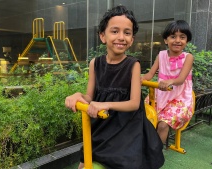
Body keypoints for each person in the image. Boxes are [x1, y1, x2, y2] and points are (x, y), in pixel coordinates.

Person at [65, 5, 164, 169]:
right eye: (115, 31)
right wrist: (78, 95)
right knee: (85, 160)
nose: (121, 37)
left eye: (127, 33)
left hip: (128, 127)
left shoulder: (133, 65)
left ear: (132, 40)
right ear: (103, 36)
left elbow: (133, 103)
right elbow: (90, 96)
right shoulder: (95, 64)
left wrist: (106, 104)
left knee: (125, 162)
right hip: (102, 125)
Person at [141, 20, 194, 144]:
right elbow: (150, 74)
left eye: (182, 37)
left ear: (187, 40)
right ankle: (145, 147)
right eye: (173, 36)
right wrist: (140, 78)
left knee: (163, 125)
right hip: (161, 95)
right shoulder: (161, 55)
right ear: (166, 40)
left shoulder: (188, 57)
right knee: (146, 118)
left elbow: (181, 80)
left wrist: (170, 81)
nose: (177, 40)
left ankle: (156, 154)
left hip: (180, 98)